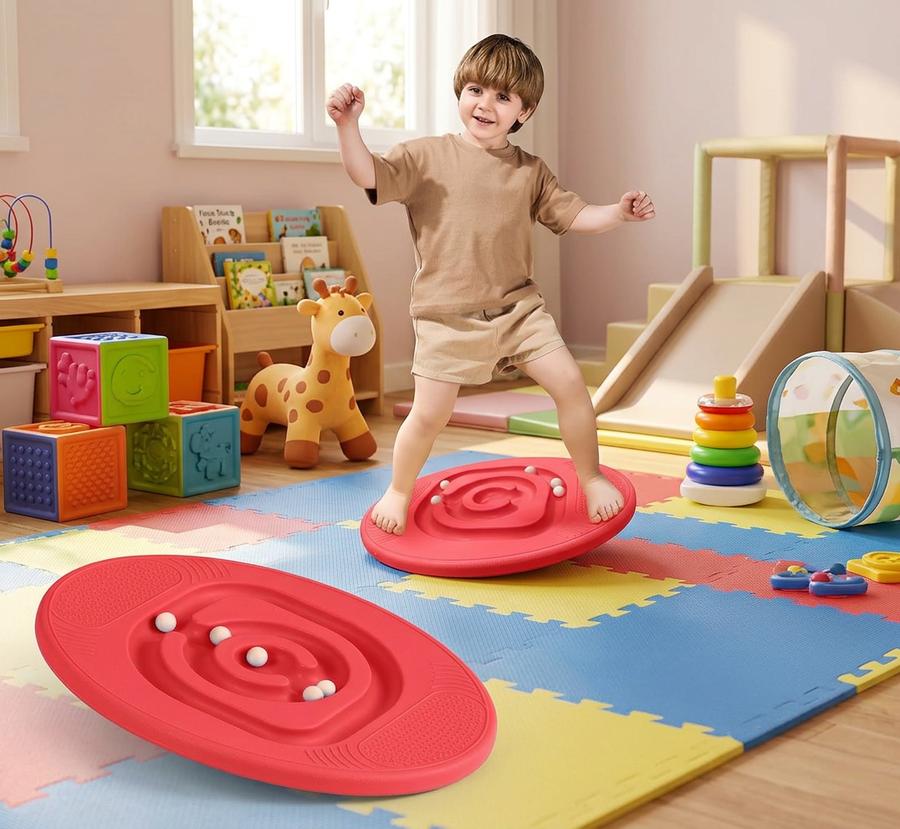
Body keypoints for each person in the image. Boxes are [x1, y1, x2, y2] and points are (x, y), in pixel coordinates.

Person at [327, 33, 655, 535]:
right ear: (460, 92)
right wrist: (347, 126)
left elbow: (576, 215)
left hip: (519, 310)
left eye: (503, 97)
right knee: (429, 415)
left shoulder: (530, 172)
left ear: (526, 111)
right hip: (446, 315)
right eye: (476, 90)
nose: (485, 105)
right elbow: (366, 173)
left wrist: (618, 212)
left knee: (571, 386)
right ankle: (398, 491)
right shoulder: (424, 157)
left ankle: (591, 478)